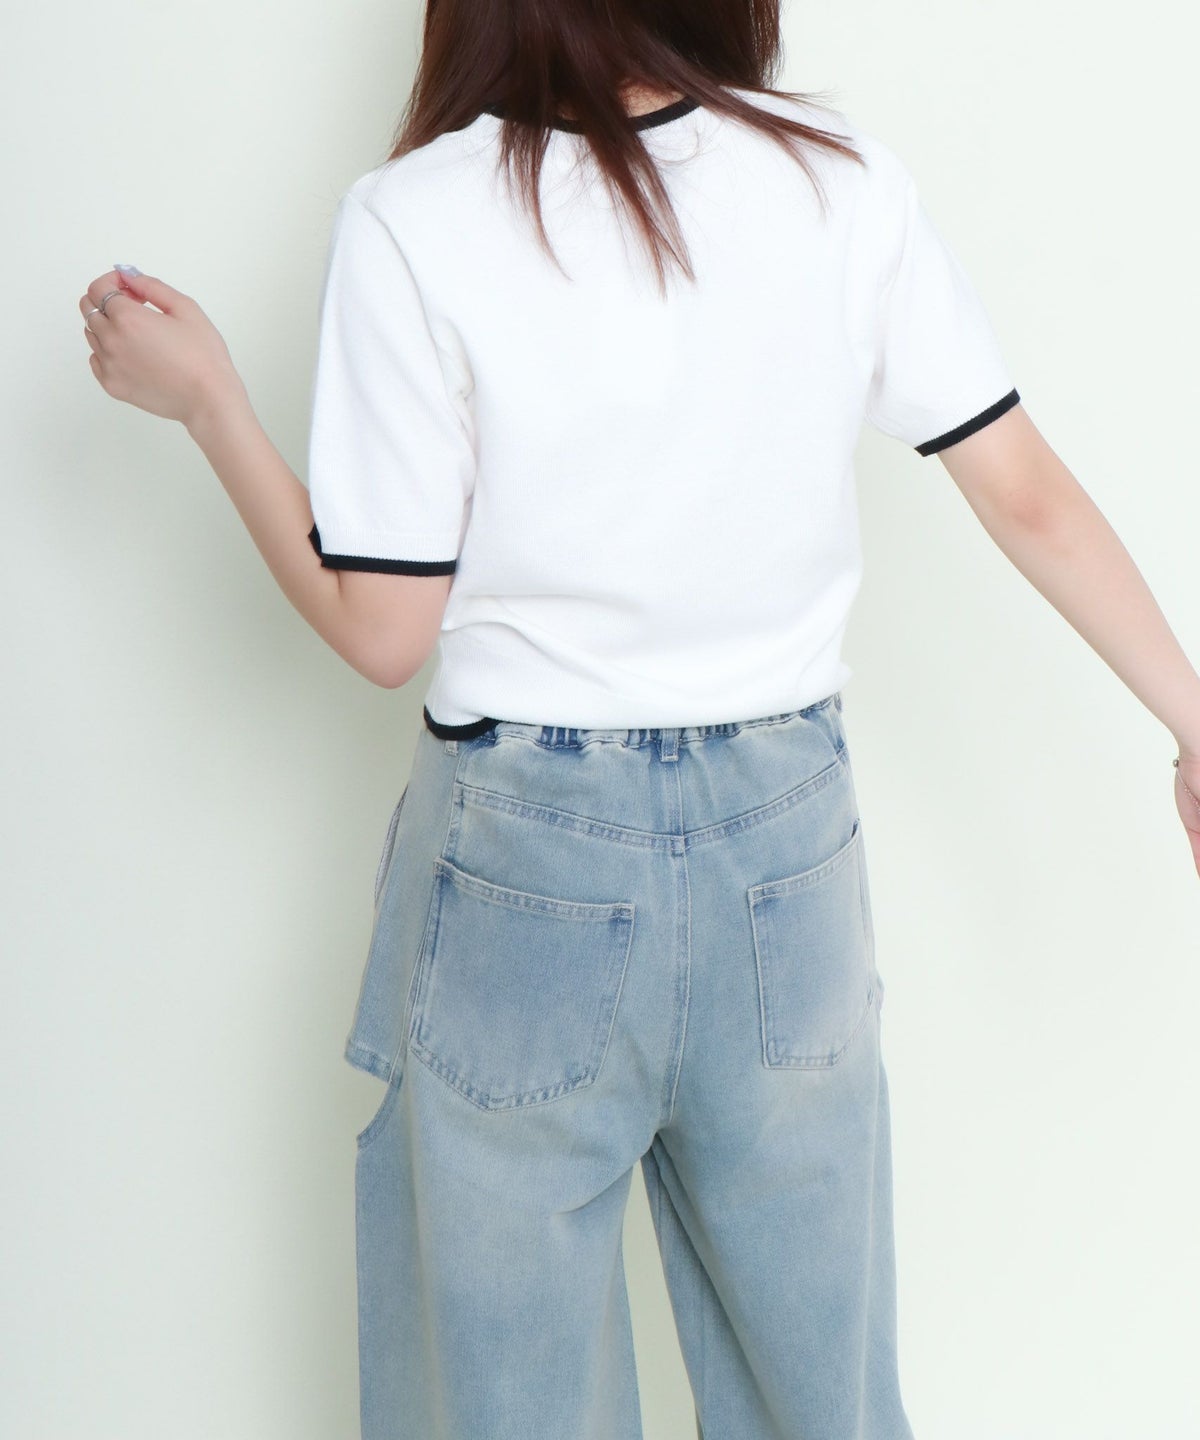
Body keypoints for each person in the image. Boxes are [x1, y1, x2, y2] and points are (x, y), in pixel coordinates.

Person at [78, 3, 1200, 1435]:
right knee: (823, 1393)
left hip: (524, 865)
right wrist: (1193, 723)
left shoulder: (417, 218)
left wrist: (212, 407)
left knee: (509, 1403)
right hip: (788, 851)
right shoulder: (837, 181)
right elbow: (1023, 490)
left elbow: (383, 632)